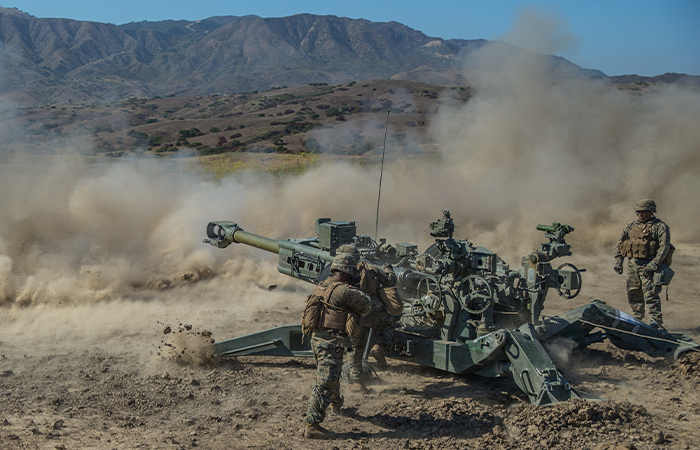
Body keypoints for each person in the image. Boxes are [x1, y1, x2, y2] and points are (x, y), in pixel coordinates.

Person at [303, 254, 370, 440]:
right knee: (326, 382)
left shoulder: (322, 285)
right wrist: (358, 288)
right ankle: (312, 425)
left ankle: (336, 404)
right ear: (348, 272)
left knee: (332, 374)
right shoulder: (344, 291)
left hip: (317, 340)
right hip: (331, 342)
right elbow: (366, 306)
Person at [336, 244, 398, 392]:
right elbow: (391, 281)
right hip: (375, 311)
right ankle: (379, 346)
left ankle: (358, 383)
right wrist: (388, 267)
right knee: (388, 325)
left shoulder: (341, 273)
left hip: (355, 314)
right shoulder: (370, 267)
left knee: (354, 347)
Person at [614, 199, 671, 330]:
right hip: (633, 265)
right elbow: (621, 244)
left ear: (650, 211)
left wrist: (653, 265)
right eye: (638, 212)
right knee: (633, 293)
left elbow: (664, 248)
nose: (640, 214)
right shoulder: (630, 226)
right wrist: (618, 262)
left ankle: (655, 323)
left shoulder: (660, 227)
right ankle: (637, 318)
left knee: (651, 295)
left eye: (643, 212)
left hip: (649, 266)